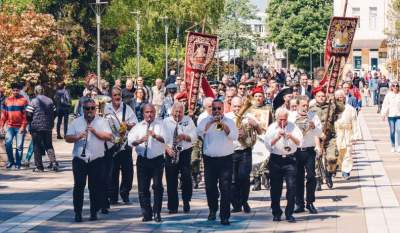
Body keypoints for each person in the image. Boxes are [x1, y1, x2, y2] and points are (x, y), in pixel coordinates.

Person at [65, 98, 112, 222]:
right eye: (87, 108)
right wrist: (78, 136)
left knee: (94, 186)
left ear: (95, 109)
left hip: (96, 159)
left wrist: (95, 131)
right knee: (79, 185)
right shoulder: (76, 122)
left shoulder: (101, 122)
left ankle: (93, 211)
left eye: (92, 108)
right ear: (83, 110)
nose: (90, 111)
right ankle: (78, 212)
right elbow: (67, 138)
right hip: (80, 159)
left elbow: (108, 136)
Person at [196, 99, 239, 225]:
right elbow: (198, 132)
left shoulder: (229, 121)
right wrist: (210, 123)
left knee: (225, 188)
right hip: (210, 160)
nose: (216, 111)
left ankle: (225, 216)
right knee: (210, 187)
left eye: (218, 109)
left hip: (225, 159)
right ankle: (212, 210)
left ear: (223, 109)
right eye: (214, 109)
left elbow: (234, 136)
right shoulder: (205, 120)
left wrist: (223, 125)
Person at [128, 104, 167, 222]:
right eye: (147, 112)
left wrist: (155, 136)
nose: (149, 115)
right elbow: (130, 141)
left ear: (155, 112)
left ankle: (157, 212)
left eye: (151, 112)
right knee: (143, 188)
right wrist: (139, 140)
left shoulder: (161, 125)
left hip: (157, 160)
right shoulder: (138, 127)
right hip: (143, 160)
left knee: (157, 186)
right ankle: (146, 213)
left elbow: (166, 139)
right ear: (143, 113)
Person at [264, 108, 302, 222]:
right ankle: (276, 212)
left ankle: (289, 212)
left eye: (284, 119)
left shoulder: (293, 126)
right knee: (276, 188)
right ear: (276, 118)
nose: (282, 122)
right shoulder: (271, 128)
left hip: (290, 158)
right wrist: (277, 137)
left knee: (291, 186)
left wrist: (291, 136)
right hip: (276, 159)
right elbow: (267, 145)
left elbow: (299, 141)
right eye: (280, 119)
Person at [225, 97, 263, 213]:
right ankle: (236, 204)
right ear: (231, 106)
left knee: (244, 177)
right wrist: (233, 132)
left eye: (239, 106)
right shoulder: (227, 118)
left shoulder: (249, 116)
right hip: (231, 151)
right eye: (235, 106)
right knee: (232, 179)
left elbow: (260, 132)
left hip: (245, 150)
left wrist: (256, 125)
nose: (237, 109)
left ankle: (244, 201)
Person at [104, 88, 138, 209]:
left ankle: (125, 194)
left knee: (127, 171)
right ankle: (112, 196)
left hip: (124, 145)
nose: (117, 97)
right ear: (111, 97)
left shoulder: (127, 108)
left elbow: (135, 123)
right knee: (112, 171)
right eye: (115, 95)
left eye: (119, 95)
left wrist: (127, 125)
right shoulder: (106, 107)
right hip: (111, 144)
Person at [288, 96, 322, 215]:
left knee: (311, 176)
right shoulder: (291, 116)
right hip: (296, 150)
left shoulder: (313, 116)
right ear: (297, 106)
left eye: (307, 105)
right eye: (303, 105)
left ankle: (310, 202)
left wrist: (314, 127)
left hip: (309, 150)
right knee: (298, 178)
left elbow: (319, 132)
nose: (306, 108)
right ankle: (299, 203)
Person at [163, 102, 197, 214]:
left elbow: (194, 136)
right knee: (171, 180)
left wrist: (184, 137)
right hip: (170, 152)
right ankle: (173, 206)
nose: (177, 114)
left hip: (184, 153)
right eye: (175, 111)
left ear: (183, 112)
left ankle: (186, 201)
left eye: (180, 112)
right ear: (172, 111)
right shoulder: (166, 122)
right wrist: (167, 148)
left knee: (186, 178)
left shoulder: (188, 121)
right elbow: (161, 139)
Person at [309, 87, 345, 189]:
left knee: (332, 158)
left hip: (329, 137)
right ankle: (317, 180)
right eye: (319, 96)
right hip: (315, 139)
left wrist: (334, 100)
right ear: (315, 97)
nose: (321, 98)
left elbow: (341, 109)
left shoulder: (331, 106)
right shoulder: (311, 109)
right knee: (316, 161)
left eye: (323, 96)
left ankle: (328, 173)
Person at [26, 85, 58, 172]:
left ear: (35, 92)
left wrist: (30, 122)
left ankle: (39, 167)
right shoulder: (50, 100)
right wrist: (50, 121)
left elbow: (29, 114)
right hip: (48, 127)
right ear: (43, 91)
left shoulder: (33, 101)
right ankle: (53, 162)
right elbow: (55, 113)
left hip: (36, 127)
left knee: (37, 146)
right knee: (49, 145)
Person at [334, 90, 362, 179]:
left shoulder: (350, 108)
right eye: (337, 97)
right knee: (336, 153)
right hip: (336, 134)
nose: (339, 99)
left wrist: (356, 135)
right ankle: (334, 168)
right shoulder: (332, 108)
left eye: (341, 97)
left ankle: (346, 171)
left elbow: (355, 122)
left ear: (344, 97)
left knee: (347, 153)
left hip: (347, 133)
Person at [0, 83, 28, 170]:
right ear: (12, 90)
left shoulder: (23, 100)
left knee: (19, 146)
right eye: (14, 90)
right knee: (8, 143)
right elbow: (4, 114)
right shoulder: (8, 100)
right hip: (9, 126)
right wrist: (1, 125)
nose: (15, 92)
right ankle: (11, 162)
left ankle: (18, 163)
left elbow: (26, 115)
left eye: (17, 90)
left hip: (20, 127)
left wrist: (23, 126)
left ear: (19, 90)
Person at [381, 81, 400, 153]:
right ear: (391, 87)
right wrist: (383, 114)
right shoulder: (388, 95)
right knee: (392, 131)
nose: (395, 87)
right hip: (391, 115)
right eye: (394, 86)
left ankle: (399, 146)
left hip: (399, 115)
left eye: (397, 86)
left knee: (399, 130)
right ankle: (393, 146)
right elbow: (385, 105)